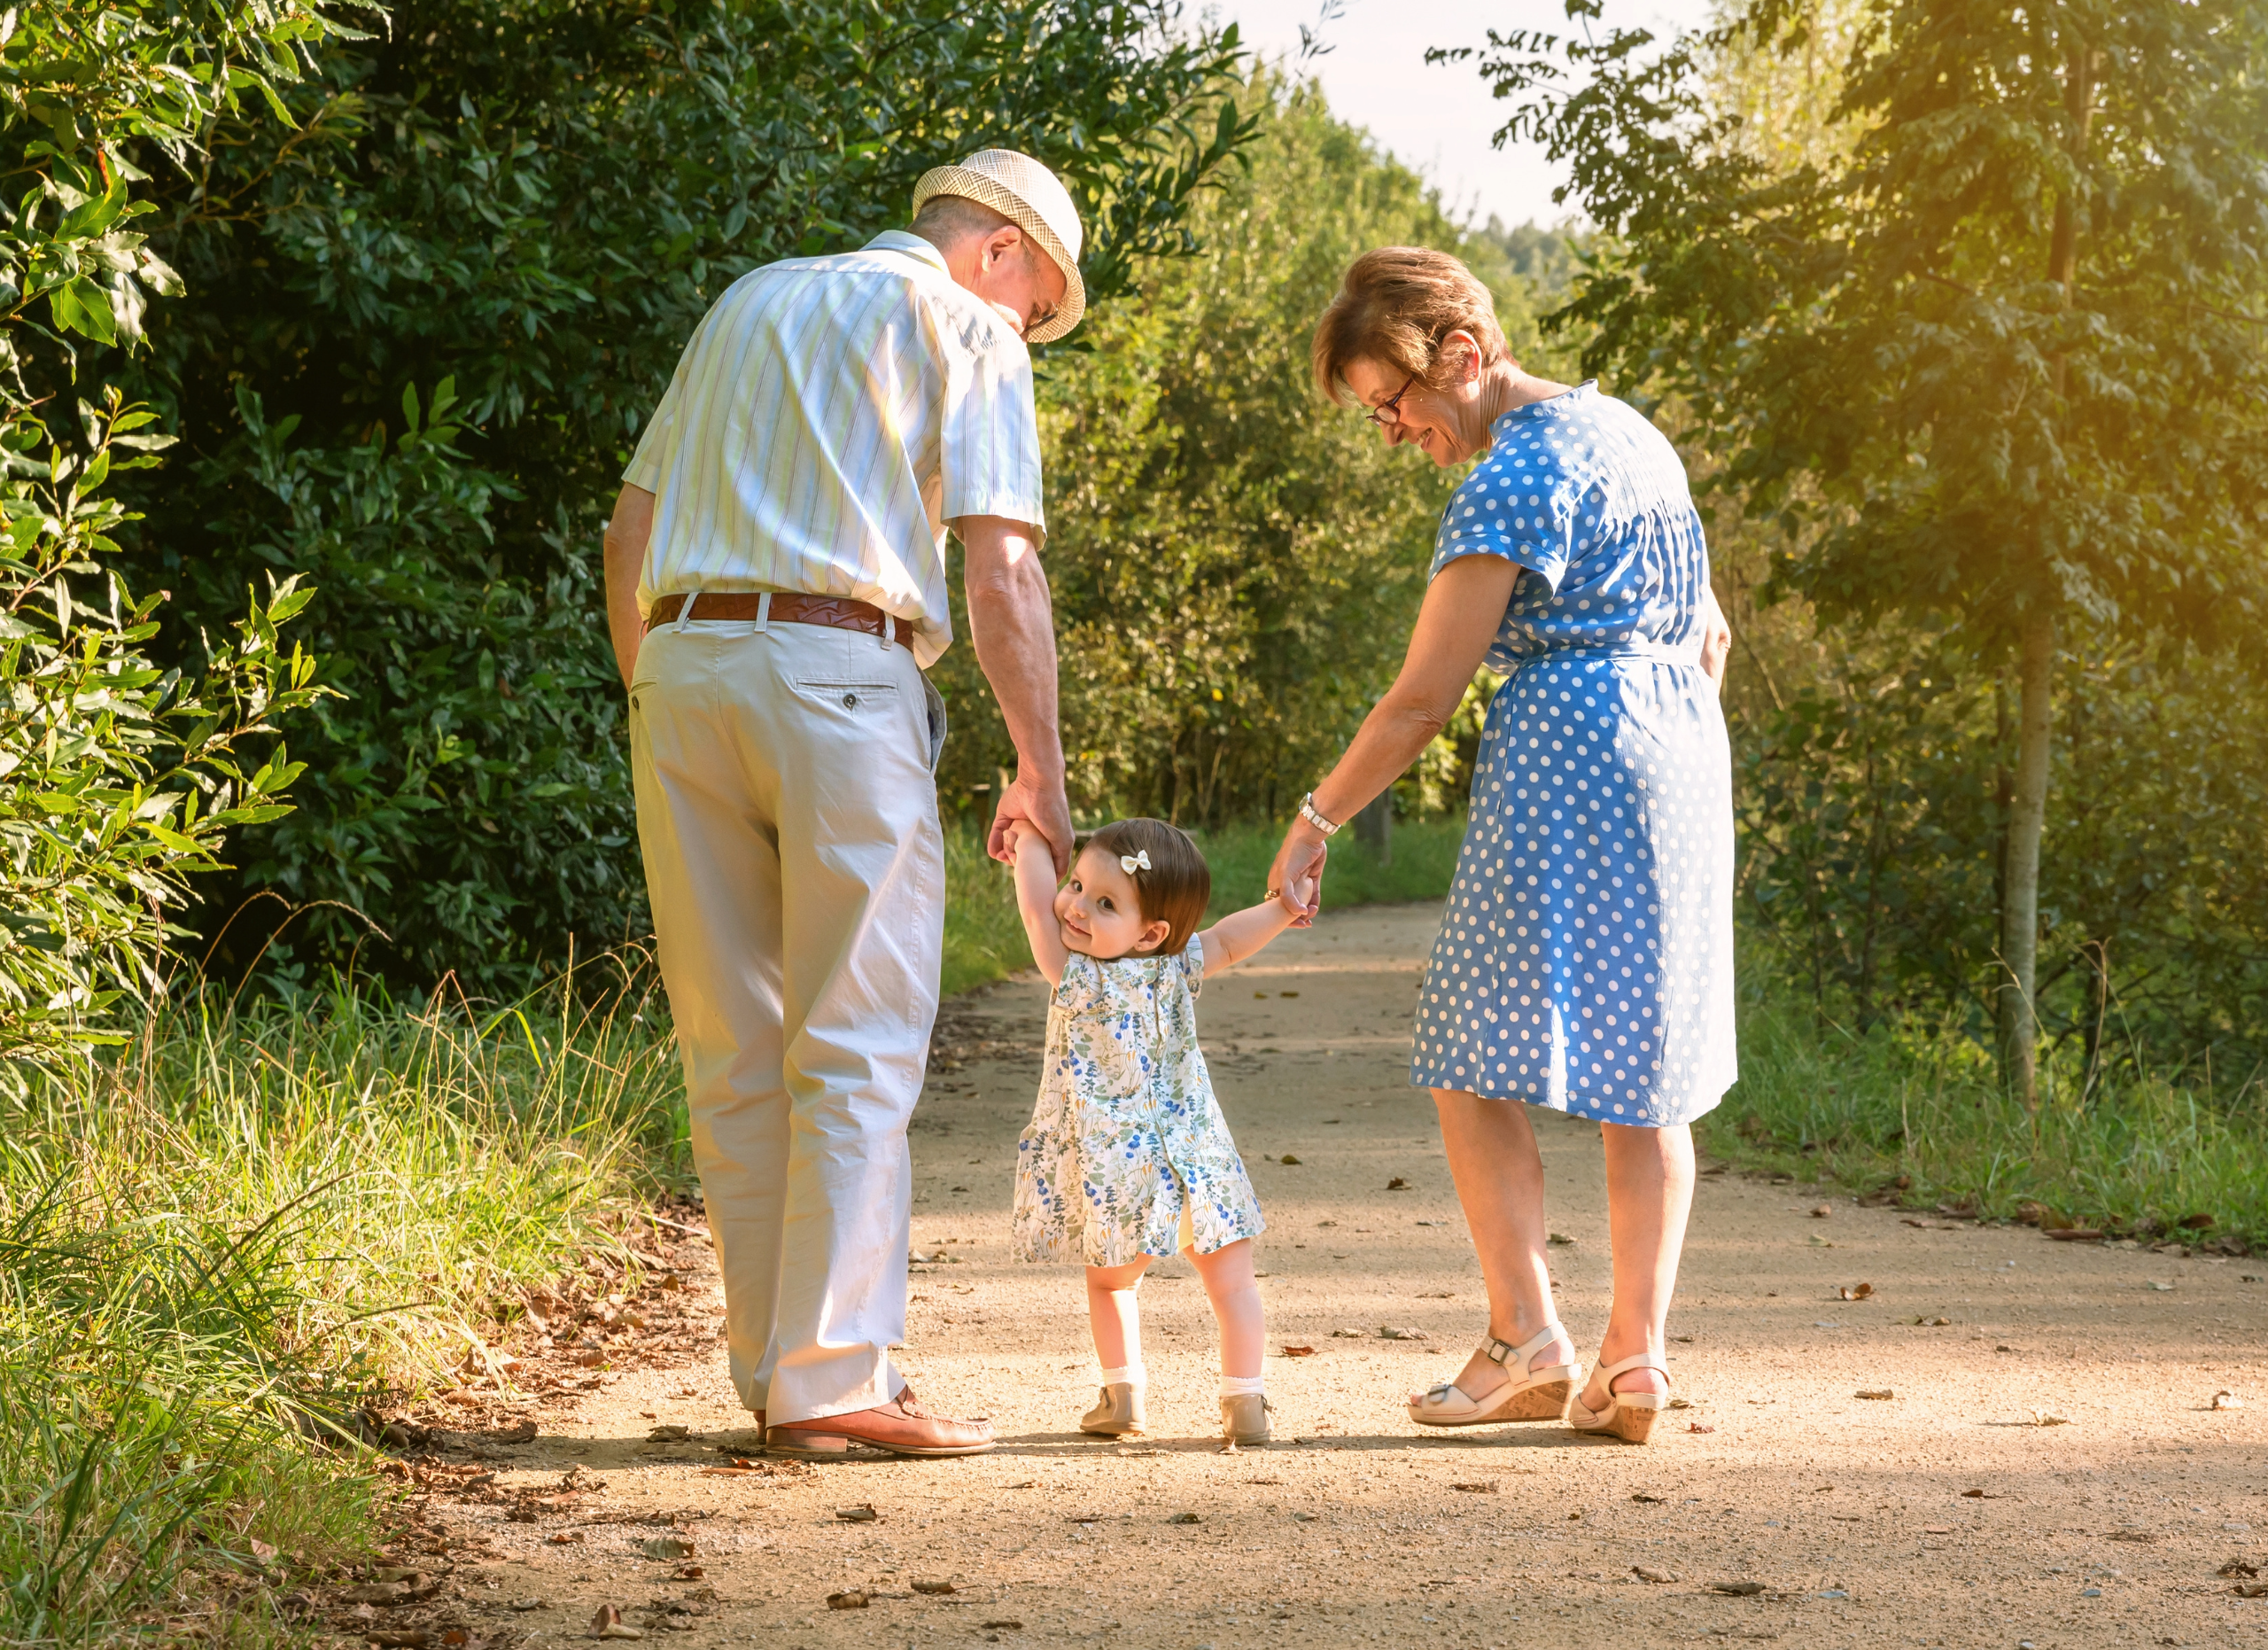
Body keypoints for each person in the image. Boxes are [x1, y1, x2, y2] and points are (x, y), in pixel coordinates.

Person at [601, 150, 1088, 1459]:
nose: (1028, 324)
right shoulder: (964, 326)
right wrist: (1038, 771)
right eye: (1037, 301)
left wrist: (659, 695)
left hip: (684, 666)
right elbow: (1002, 570)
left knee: (734, 1042)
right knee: (857, 1037)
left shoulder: (749, 299)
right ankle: (832, 1378)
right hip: (840, 668)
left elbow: (628, 528)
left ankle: (777, 1371)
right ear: (997, 254)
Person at [1268, 246, 1735, 1444]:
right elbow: (1713, 632)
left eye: (1395, 403)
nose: (1390, 432)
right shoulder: (1630, 432)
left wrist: (1314, 822)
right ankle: (1635, 1359)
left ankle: (1524, 1335)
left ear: (1463, 357)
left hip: (1568, 753)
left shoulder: (1507, 479)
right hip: (1681, 750)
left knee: (1470, 1049)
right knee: (1651, 1068)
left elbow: (1424, 698)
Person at [1003, 818, 1315, 1445]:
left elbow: (1036, 912)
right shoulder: (1175, 965)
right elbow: (1227, 940)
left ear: (1151, 933)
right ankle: (1245, 1403)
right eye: (1077, 885)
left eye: (1105, 903)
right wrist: (1283, 907)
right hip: (1198, 1153)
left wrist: (1030, 838)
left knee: (1111, 1280)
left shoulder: (1078, 976)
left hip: (1122, 1170)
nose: (1076, 908)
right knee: (1232, 1282)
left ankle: (1123, 1394)